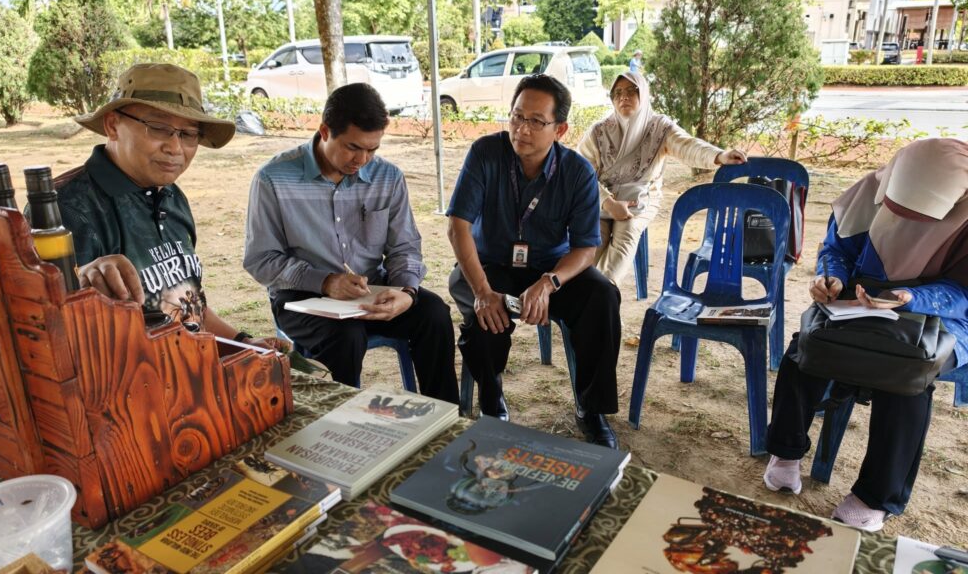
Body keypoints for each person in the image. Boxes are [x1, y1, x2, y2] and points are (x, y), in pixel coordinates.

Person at [762, 138, 968, 531]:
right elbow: (836, 250)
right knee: (807, 349)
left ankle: (874, 496)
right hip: (861, 296)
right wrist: (833, 278)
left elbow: (962, 294)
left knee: (908, 378)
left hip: (941, 313)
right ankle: (785, 452)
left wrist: (910, 297)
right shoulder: (868, 192)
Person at [243, 83, 459, 403]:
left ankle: (445, 417)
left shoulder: (388, 177)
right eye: (353, 147)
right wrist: (325, 282)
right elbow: (261, 259)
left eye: (373, 149)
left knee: (434, 313)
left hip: (371, 288)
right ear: (325, 131)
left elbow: (404, 247)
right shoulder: (274, 178)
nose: (362, 159)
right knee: (346, 335)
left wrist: (407, 292)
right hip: (301, 296)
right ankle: (339, 421)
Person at [447, 74, 621, 449]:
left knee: (602, 296)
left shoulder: (577, 172)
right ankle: (491, 401)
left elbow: (586, 249)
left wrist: (549, 282)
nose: (522, 129)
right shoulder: (485, 153)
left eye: (536, 122)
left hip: (550, 270)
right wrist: (483, 291)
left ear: (560, 129)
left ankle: (592, 410)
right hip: (490, 265)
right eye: (517, 117)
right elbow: (458, 227)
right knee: (483, 313)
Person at [55, 63, 282, 349]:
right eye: (159, 128)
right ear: (113, 125)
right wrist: (82, 280)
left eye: (188, 134)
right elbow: (56, 330)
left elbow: (188, 303)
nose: (175, 148)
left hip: (190, 363)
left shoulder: (171, 195)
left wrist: (244, 343)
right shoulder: (67, 208)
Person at [577, 71, 747, 294]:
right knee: (591, 243)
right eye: (617, 93)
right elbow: (581, 174)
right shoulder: (598, 131)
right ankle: (586, 297)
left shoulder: (659, 128)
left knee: (627, 231)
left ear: (644, 94)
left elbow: (688, 146)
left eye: (631, 91)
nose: (623, 97)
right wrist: (608, 203)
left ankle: (601, 296)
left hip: (640, 200)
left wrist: (720, 155)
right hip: (599, 200)